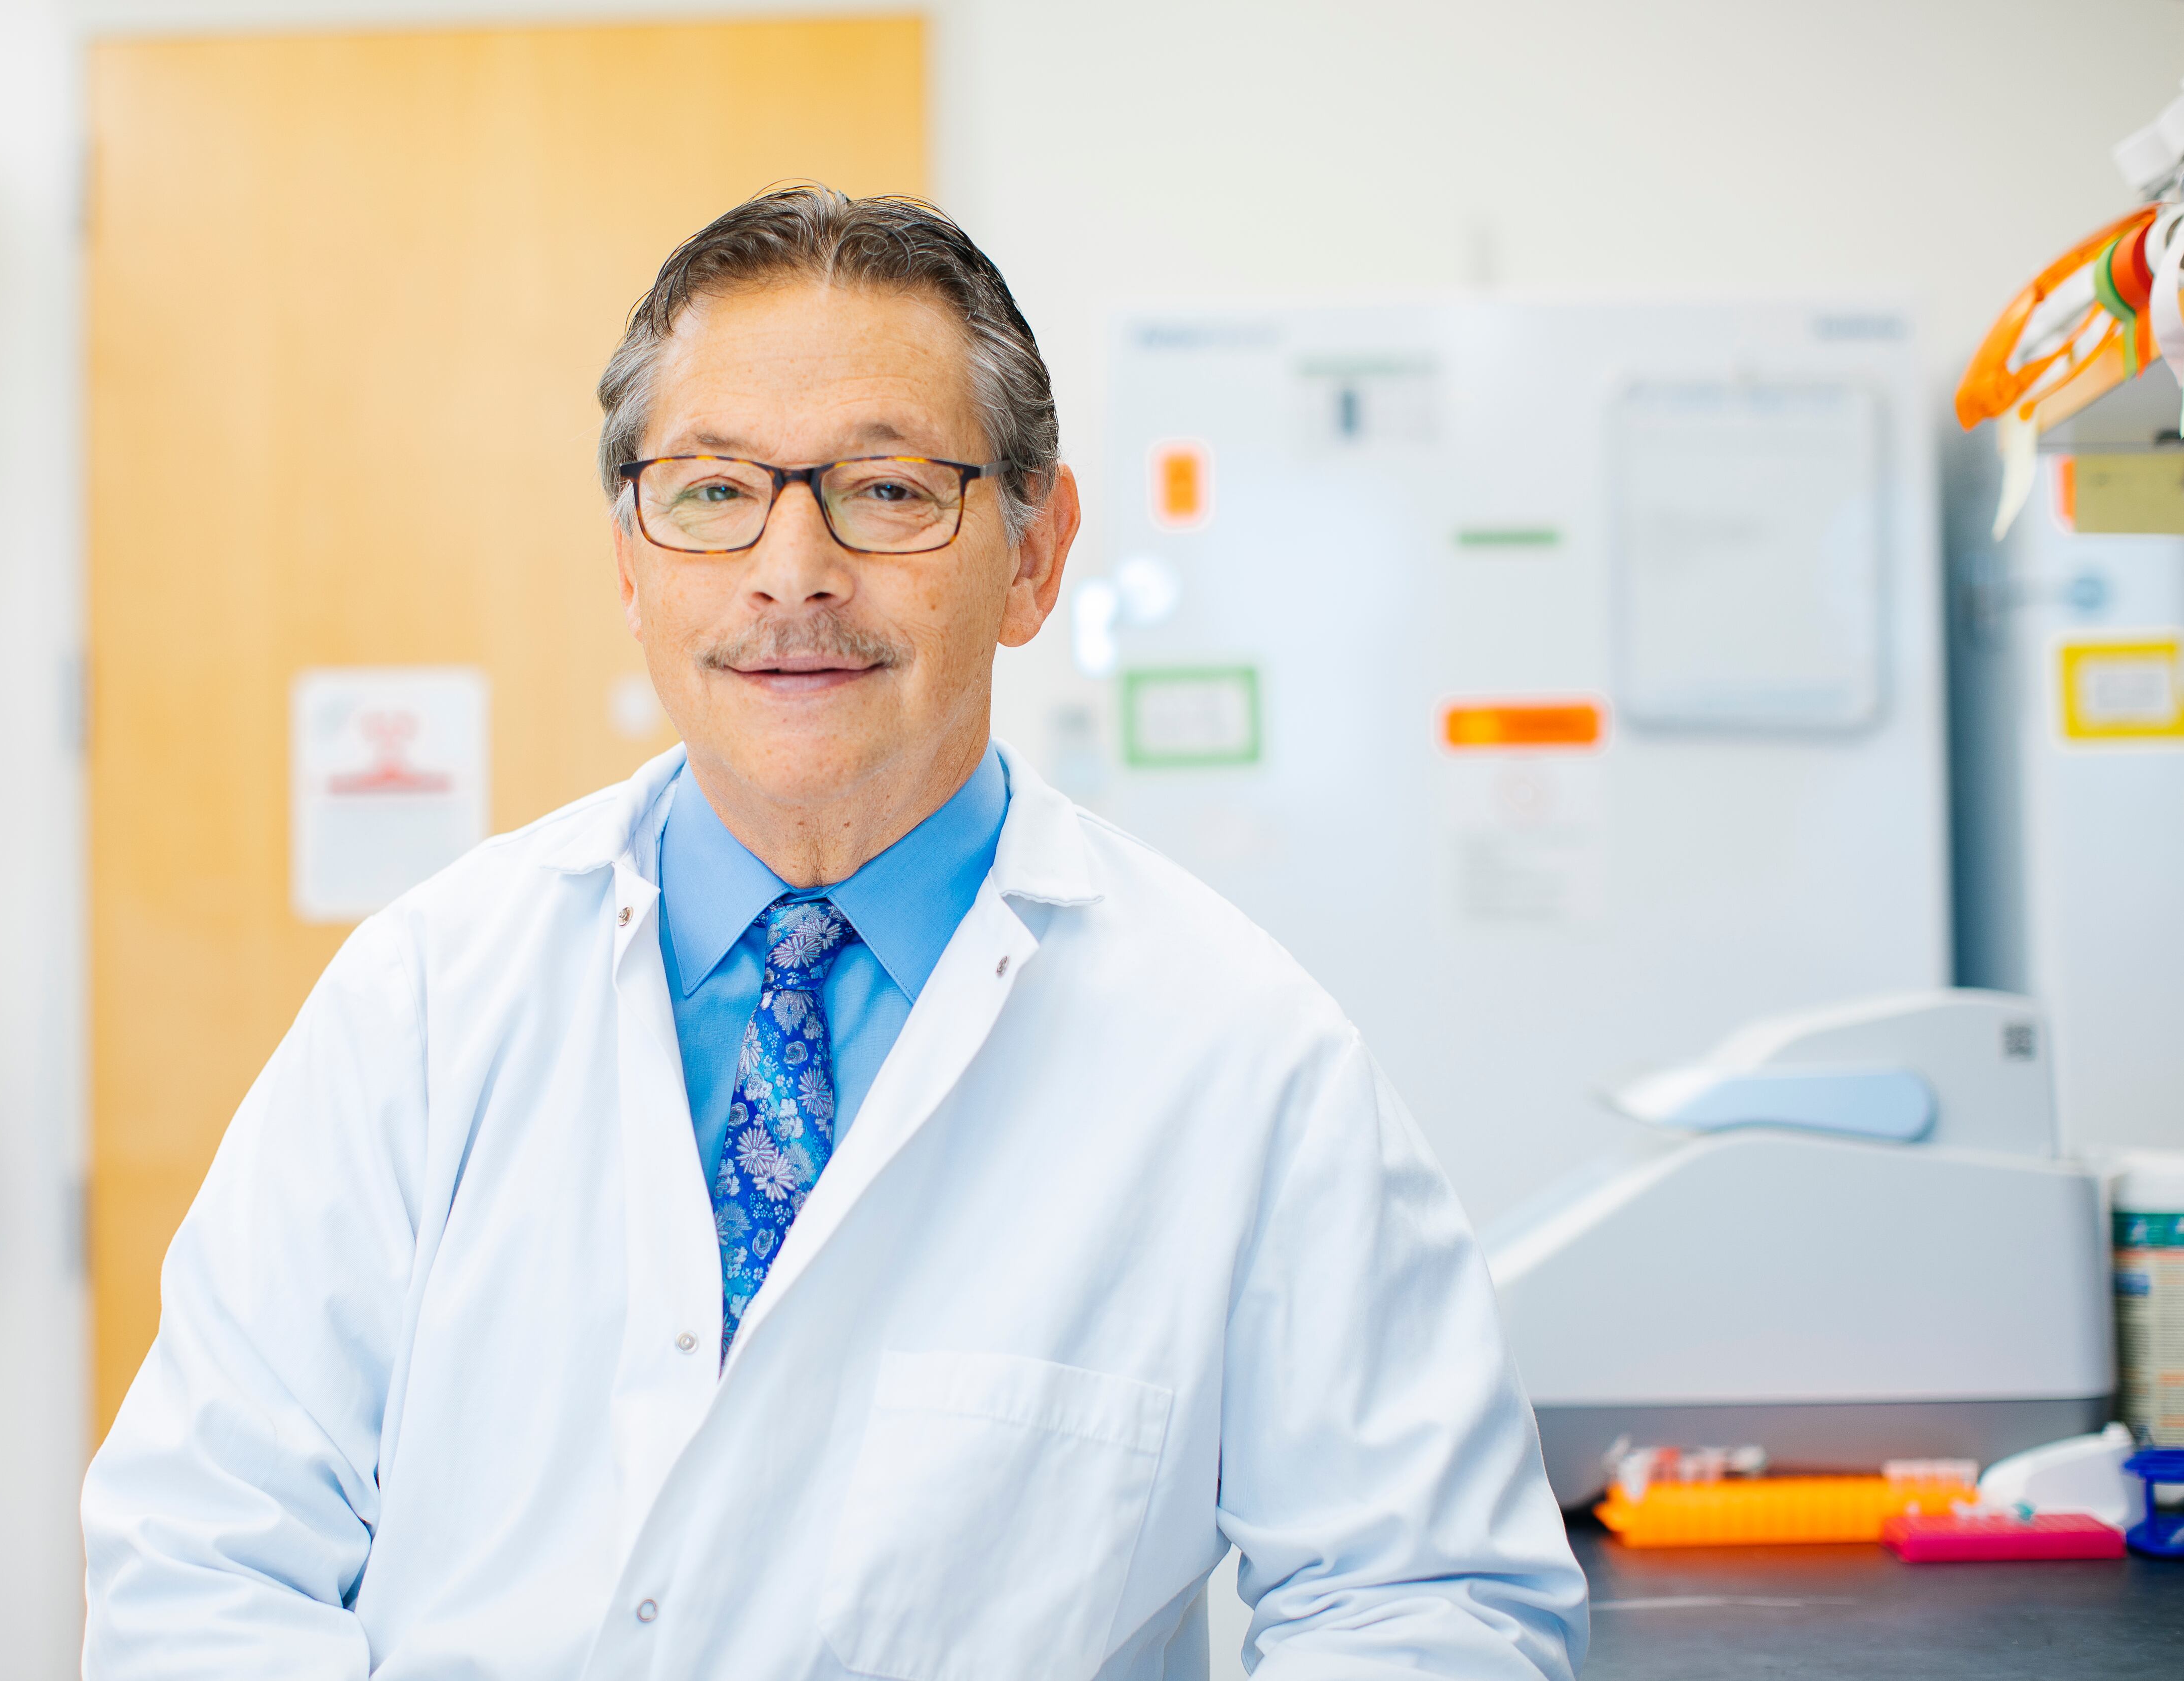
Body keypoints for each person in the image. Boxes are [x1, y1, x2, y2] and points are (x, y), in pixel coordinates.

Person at [81, 186, 1588, 1681]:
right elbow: (209, 1553)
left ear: (1037, 552)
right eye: (713, 490)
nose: (790, 570)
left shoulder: (1246, 1058)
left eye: (886, 490)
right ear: (630, 561)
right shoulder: (422, 1002)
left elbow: (1425, 1603)